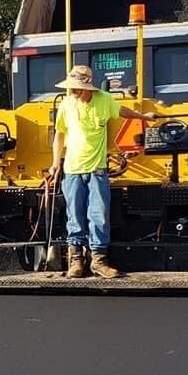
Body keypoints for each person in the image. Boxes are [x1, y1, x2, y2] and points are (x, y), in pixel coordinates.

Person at [47, 64, 158, 279]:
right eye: (71, 87)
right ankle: (76, 260)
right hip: (72, 169)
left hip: (97, 169)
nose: (72, 90)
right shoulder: (66, 105)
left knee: (99, 214)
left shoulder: (105, 100)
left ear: (87, 86)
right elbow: (59, 135)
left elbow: (122, 111)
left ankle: (98, 261)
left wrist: (143, 117)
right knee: (74, 215)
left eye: (76, 87)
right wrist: (55, 163)